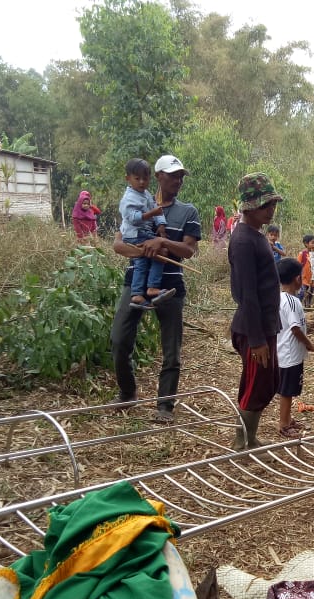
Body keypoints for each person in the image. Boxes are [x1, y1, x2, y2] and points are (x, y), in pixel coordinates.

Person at [111, 154, 200, 423]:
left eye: (181, 176)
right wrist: (143, 248)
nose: (178, 181)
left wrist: (162, 244)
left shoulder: (188, 211)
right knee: (119, 339)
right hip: (134, 282)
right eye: (173, 175)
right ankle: (127, 393)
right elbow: (118, 244)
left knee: (171, 349)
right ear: (158, 177)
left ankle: (165, 406)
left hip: (170, 284)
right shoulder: (136, 203)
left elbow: (188, 250)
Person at [229, 173, 285, 450]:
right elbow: (247, 294)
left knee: (267, 380)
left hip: (265, 324)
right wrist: (257, 340)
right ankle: (242, 441)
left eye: (272, 203)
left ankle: (249, 436)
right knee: (256, 383)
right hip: (254, 328)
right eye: (266, 205)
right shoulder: (242, 241)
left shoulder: (256, 235)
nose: (271, 209)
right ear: (248, 207)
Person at [119, 158, 172, 310]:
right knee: (160, 253)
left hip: (144, 232)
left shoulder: (146, 194)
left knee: (141, 263)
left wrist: (161, 225)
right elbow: (133, 218)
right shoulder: (129, 198)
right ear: (127, 178)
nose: (142, 182)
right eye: (137, 178)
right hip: (135, 234)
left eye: (145, 178)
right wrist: (151, 214)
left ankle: (137, 294)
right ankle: (151, 287)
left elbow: (157, 209)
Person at [275, 258, 314, 438]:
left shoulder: (280, 298)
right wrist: (308, 343)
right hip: (290, 354)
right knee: (287, 390)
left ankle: (288, 418)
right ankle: (284, 424)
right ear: (297, 279)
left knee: (287, 389)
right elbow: (294, 328)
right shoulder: (292, 301)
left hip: (284, 352)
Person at [298, 234, 314, 307]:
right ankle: (298, 306)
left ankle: (308, 307)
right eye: (312, 243)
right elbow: (298, 266)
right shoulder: (302, 254)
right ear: (306, 243)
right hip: (303, 278)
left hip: (312, 279)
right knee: (302, 292)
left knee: (310, 294)